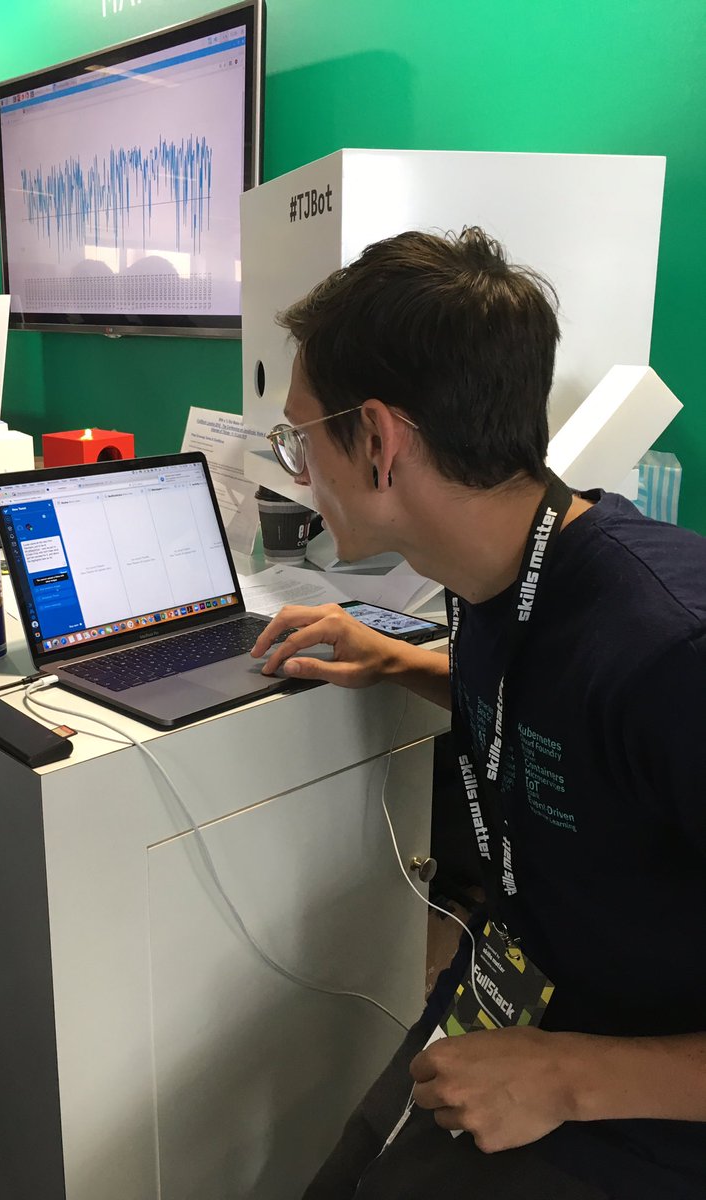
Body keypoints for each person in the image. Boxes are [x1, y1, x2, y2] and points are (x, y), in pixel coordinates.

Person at [249, 228, 706, 1200]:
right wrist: (401, 660)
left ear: (378, 441)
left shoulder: (672, 649)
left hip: (643, 1099)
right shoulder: (492, 569)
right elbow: (555, 713)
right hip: (516, 995)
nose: (295, 473)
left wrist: (571, 1080)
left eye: (299, 439)